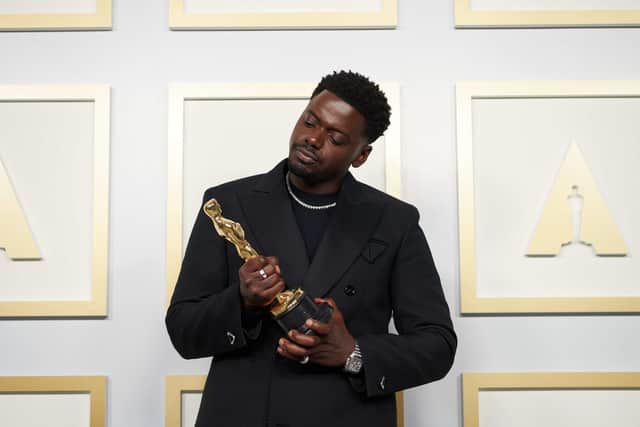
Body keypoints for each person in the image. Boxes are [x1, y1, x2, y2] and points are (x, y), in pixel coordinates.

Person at [166, 70, 457, 427]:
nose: (313, 139)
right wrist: (242, 302)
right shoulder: (227, 205)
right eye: (310, 121)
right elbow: (183, 331)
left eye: (335, 137)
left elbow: (437, 345)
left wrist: (352, 353)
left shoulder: (394, 222)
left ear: (361, 155)